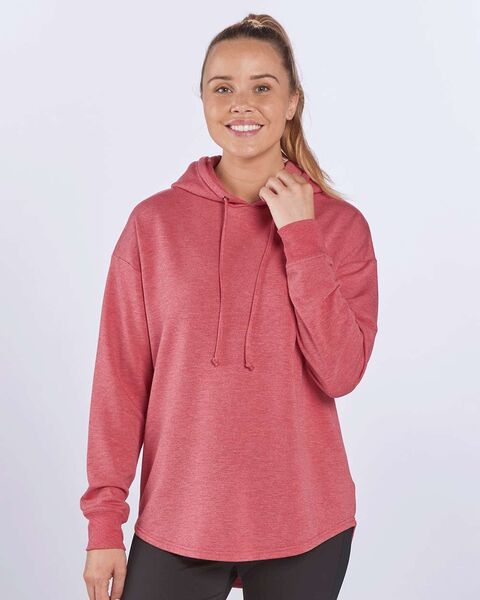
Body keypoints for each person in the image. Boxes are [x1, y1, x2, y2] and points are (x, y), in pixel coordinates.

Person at [80, 12, 379, 600]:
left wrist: (301, 238)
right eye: (223, 88)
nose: (241, 103)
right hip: (177, 521)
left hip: (306, 524)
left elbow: (341, 373)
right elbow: (119, 382)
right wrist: (104, 523)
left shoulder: (340, 227)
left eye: (262, 87)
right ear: (203, 101)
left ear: (292, 102)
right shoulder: (153, 225)